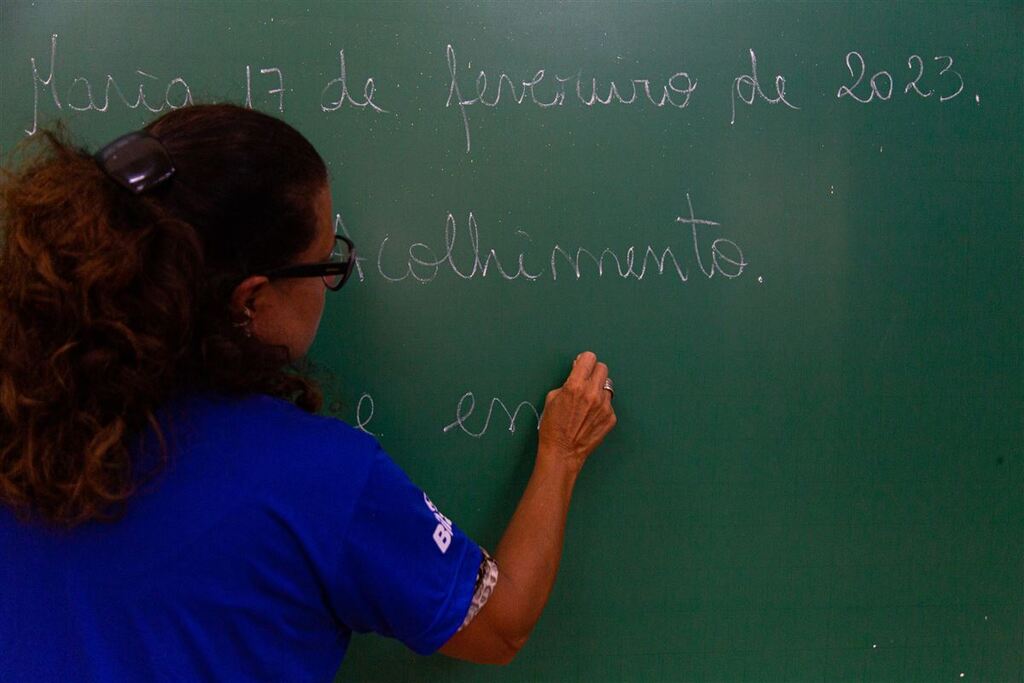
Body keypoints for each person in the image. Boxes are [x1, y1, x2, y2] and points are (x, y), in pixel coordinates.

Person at [0, 104, 617, 681]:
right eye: (326, 264)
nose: (330, 279)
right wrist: (560, 455)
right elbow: (500, 626)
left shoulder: (20, 415)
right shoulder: (318, 480)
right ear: (251, 301)